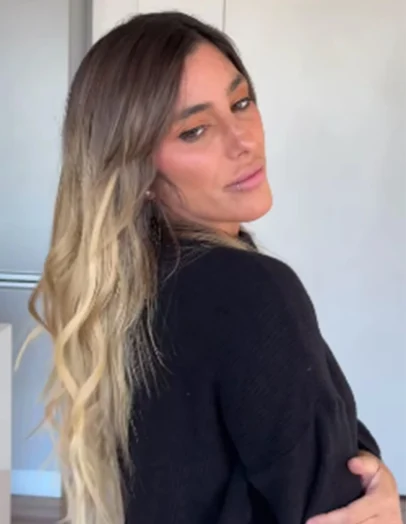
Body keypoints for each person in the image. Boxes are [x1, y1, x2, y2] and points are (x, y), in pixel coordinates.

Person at [26, 11, 402, 524]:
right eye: (196, 130)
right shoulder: (249, 292)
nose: (242, 139)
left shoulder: (131, 288)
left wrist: (364, 467)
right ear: (137, 170)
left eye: (241, 102)